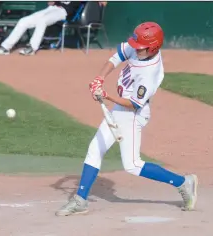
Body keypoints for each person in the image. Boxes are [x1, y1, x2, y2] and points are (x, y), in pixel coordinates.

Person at [55, 21, 199, 216]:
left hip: (132, 114)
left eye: (140, 48)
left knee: (132, 165)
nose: (135, 49)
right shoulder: (141, 46)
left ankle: (184, 182)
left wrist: (106, 96)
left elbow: (133, 104)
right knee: (95, 149)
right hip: (119, 110)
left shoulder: (149, 72)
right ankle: (80, 200)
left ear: (153, 47)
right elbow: (116, 57)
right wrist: (100, 78)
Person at [0, 1, 81, 56]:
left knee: (42, 21)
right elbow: (50, 3)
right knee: (23, 21)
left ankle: (32, 48)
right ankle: (6, 47)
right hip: (51, 8)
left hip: (63, 12)